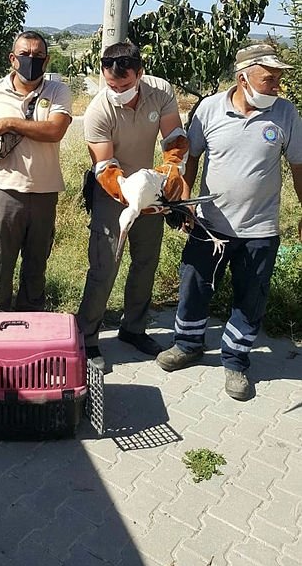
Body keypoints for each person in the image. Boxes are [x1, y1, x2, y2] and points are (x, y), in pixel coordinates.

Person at [156, 43, 302, 400]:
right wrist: (185, 199)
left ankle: (236, 360)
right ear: (243, 78)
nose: (277, 87)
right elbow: (191, 156)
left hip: (260, 229)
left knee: (251, 297)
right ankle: (187, 344)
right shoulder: (209, 109)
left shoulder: (285, 114)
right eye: (269, 79)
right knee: (194, 285)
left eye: (279, 79)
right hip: (209, 225)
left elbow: (299, 168)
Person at [76, 41, 188, 371]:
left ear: (140, 74)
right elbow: (104, 166)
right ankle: (88, 338)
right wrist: (131, 193)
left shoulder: (160, 90)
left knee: (146, 261)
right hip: (113, 191)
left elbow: (175, 137)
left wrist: (169, 169)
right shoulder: (99, 110)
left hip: (153, 186)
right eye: (112, 85)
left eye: (125, 85)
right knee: (105, 265)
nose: (118, 91)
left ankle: (134, 329)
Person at [0, 31, 72, 312]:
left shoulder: (58, 91)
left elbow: (55, 130)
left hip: (44, 194)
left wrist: (10, 123)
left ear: (47, 60)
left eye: (38, 56)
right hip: (3, 192)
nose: (31, 60)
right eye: (24, 54)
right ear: (12, 58)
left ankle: (30, 333)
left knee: (35, 272)